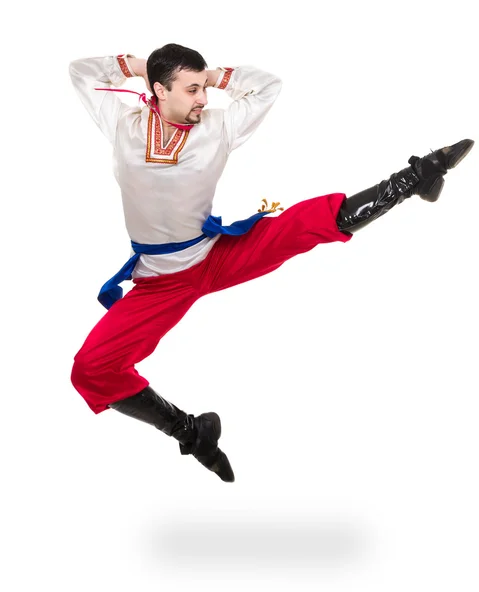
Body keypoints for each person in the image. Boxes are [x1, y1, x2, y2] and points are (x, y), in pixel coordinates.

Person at [69, 44, 474, 483]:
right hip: (159, 282)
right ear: (159, 89)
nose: (203, 99)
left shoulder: (219, 126)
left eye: (204, 88)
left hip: (216, 256)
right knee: (91, 368)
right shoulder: (122, 122)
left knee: (303, 223)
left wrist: (214, 76)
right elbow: (79, 70)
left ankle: (416, 178)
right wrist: (141, 64)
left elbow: (266, 86)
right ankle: (193, 432)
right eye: (191, 89)